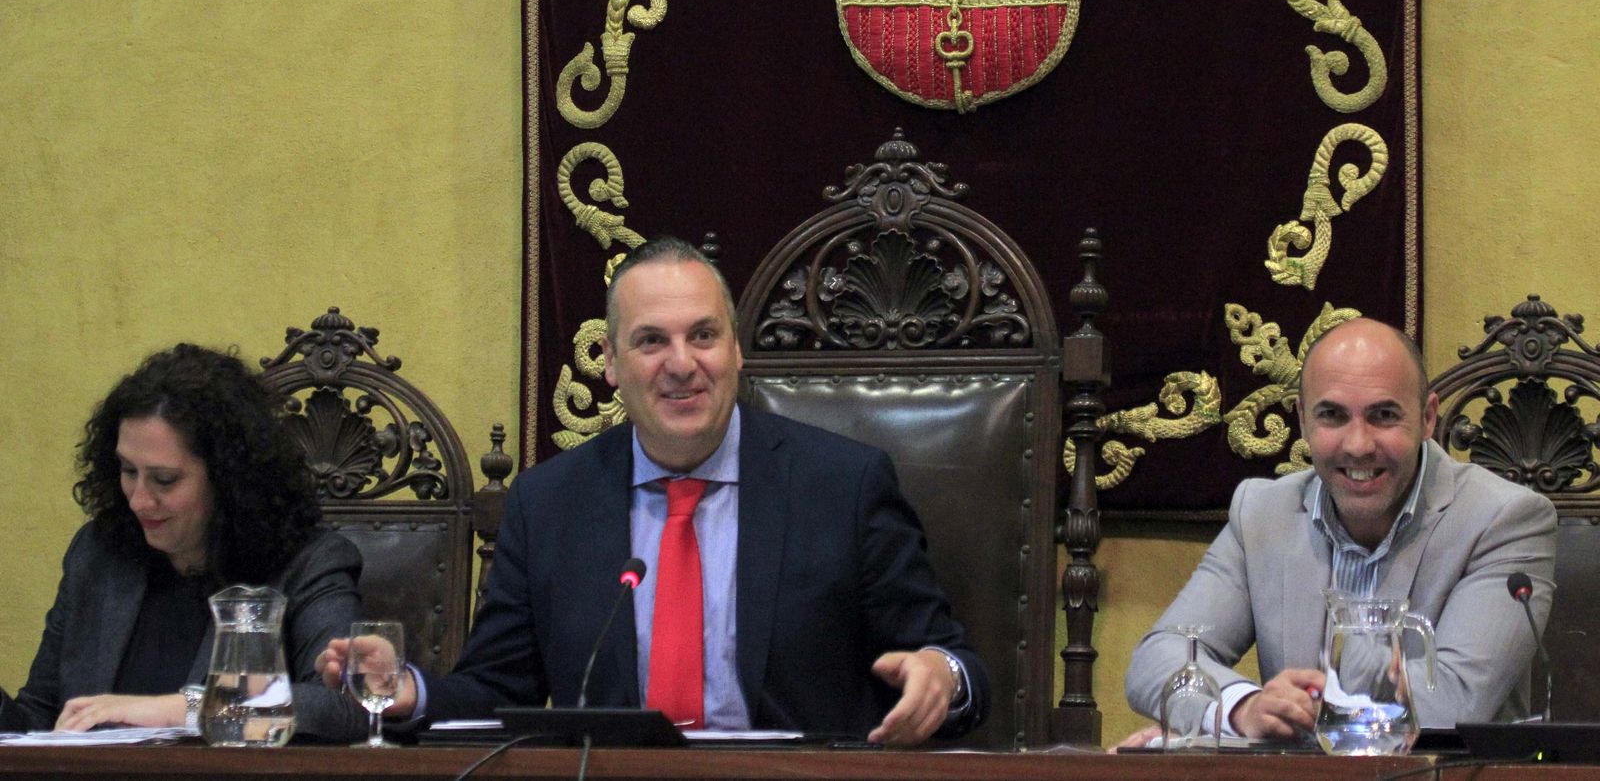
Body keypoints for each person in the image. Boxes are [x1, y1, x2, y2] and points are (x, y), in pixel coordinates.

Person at [321, 236, 990, 744]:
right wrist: (404, 690)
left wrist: (942, 676)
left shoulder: (843, 486)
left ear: (736, 351)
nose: (681, 364)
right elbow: (496, 690)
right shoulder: (549, 504)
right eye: (650, 341)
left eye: (703, 335)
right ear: (610, 364)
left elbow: (954, 662)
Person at [1123, 317, 1557, 744]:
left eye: (1383, 415)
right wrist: (1240, 710)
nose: (1358, 445)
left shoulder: (1505, 519)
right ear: (1303, 419)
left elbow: (1451, 707)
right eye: (1332, 416)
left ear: (1427, 418)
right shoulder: (1262, 512)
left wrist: (1293, 709)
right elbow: (1157, 658)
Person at [0, 344, 365, 740]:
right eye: (128, 471)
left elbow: (346, 705)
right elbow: (40, 716)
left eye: (164, 480)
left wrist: (185, 708)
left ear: (227, 479)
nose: (138, 500)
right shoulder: (98, 552)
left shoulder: (308, 562)